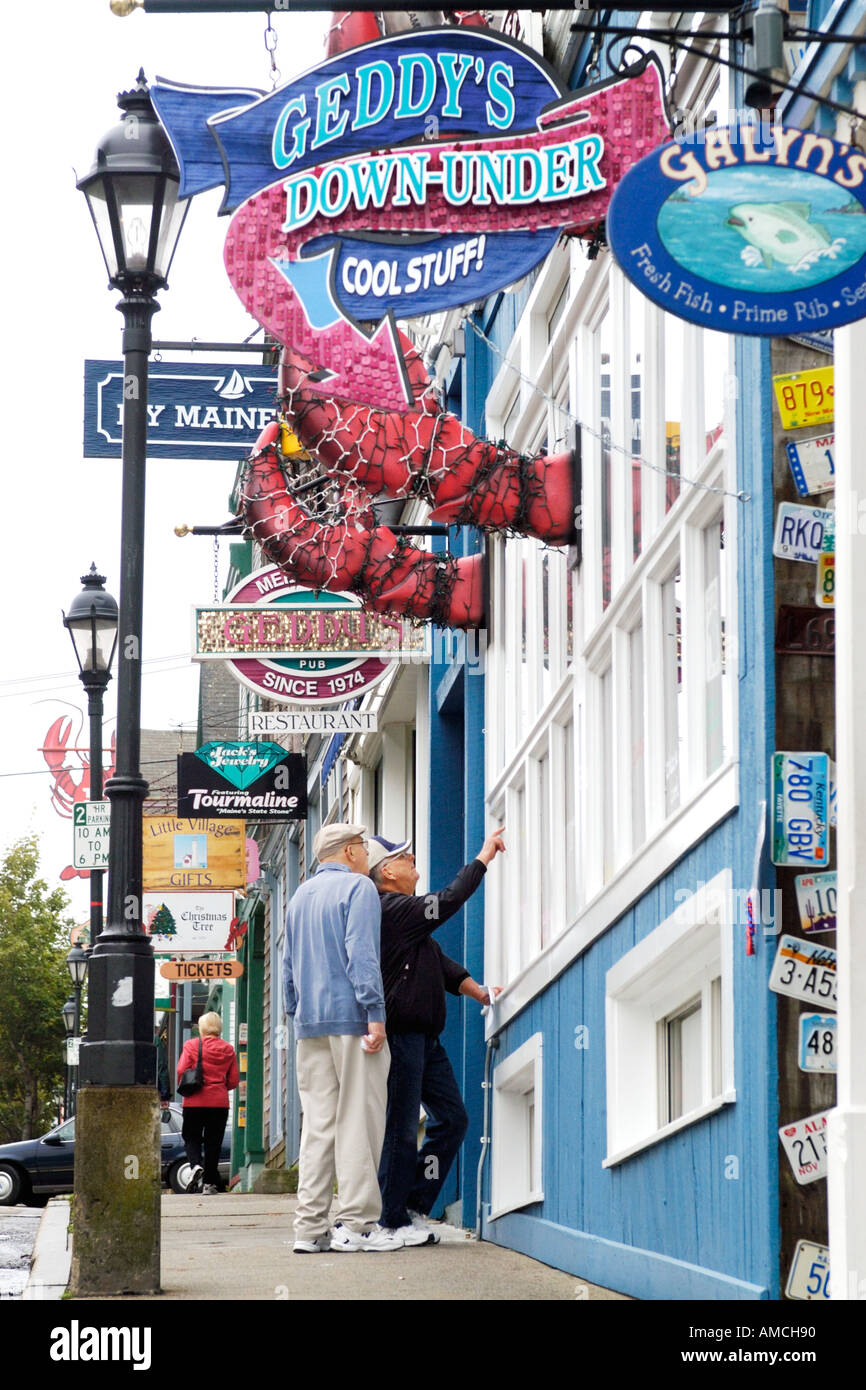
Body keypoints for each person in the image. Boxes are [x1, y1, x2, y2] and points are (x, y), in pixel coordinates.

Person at [369, 827, 505, 1245]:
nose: (414, 862)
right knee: (402, 1127)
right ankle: (390, 1220)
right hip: (402, 1036)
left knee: (453, 1120)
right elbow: (447, 902)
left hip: (427, 1039)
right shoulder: (389, 908)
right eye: (405, 858)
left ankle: (412, 1205)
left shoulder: (407, 922)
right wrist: (482, 858)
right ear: (386, 872)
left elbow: (440, 964)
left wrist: (478, 991)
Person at [283, 823, 401, 1254]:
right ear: (351, 851)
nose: (368, 856)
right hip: (353, 1020)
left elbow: (288, 966)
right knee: (359, 1120)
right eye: (365, 848)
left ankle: (309, 1229)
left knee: (317, 1127)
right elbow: (361, 953)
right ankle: (358, 1224)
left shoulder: (298, 898)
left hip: (311, 1024)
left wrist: (296, 1012)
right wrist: (375, 1014)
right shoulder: (359, 890)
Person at [176, 1011, 239, 1196]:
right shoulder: (228, 1049)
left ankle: (195, 1165)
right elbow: (234, 1080)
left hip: (194, 1101)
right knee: (214, 1143)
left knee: (191, 1136)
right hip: (219, 1103)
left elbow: (181, 1069)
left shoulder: (192, 1045)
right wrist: (219, 1086)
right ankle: (209, 1184)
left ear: (202, 1028)